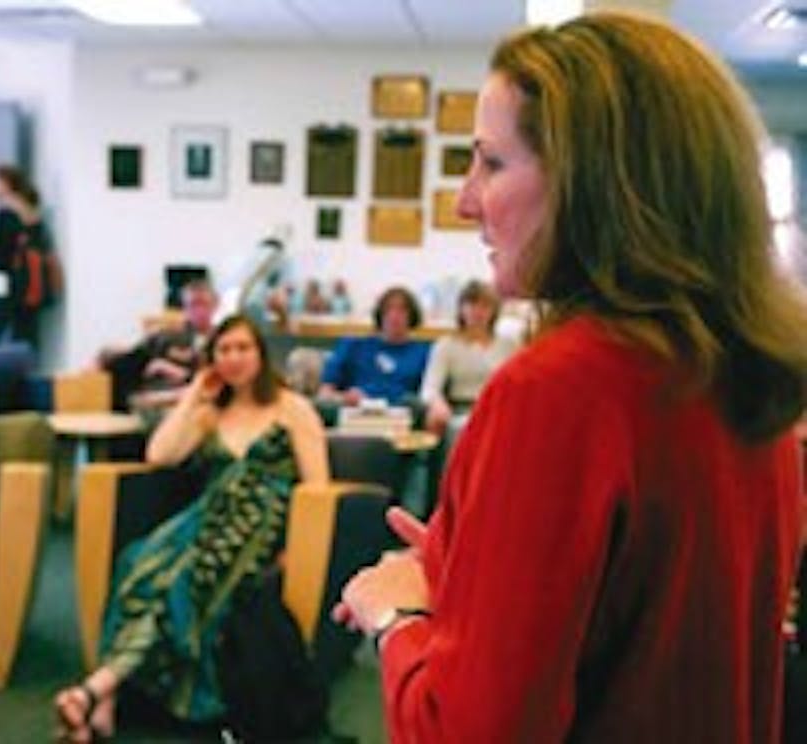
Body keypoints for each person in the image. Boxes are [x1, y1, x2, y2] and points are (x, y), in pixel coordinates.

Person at [334, 12, 807, 744]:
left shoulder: (556, 389)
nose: (466, 201)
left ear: (596, 183)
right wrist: (482, 578)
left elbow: (466, 733)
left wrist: (399, 617)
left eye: (491, 163)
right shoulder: (752, 377)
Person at [54, 314, 329, 741]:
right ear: (211, 359)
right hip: (202, 520)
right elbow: (159, 455)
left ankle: (98, 689)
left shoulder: (293, 409)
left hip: (258, 525)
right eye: (224, 350)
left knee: (182, 581)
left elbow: (317, 488)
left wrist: (296, 547)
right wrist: (193, 397)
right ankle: (103, 697)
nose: (234, 358)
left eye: (243, 348)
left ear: (260, 354)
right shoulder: (209, 413)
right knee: (137, 563)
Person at [97, 279, 219, 412]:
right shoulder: (170, 334)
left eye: (203, 304)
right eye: (191, 305)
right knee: (114, 359)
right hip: (149, 387)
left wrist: (170, 369)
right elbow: (137, 353)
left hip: (183, 392)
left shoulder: (220, 339)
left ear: (215, 305)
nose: (198, 311)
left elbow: (211, 377)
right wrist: (109, 354)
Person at [419, 280, 515, 436]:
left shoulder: (508, 345)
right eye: (472, 305)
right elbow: (429, 389)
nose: (478, 312)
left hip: (500, 410)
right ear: (461, 309)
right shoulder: (446, 345)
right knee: (461, 429)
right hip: (461, 411)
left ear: (494, 311)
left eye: (485, 306)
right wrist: (437, 405)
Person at [318, 286, 429, 406]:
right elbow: (325, 394)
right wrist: (344, 399)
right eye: (388, 309)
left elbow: (427, 397)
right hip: (355, 415)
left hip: (402, 417)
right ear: (380, 314)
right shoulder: (353, 346)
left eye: (401, 310)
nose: (394, 316)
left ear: (412, 316)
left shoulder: (423, 354)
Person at [0, 164, 53, 349]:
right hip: (30, 282)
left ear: (6, 184)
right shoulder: (32, 211)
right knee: (25, 333)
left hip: (6, 279)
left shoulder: (6, 212)